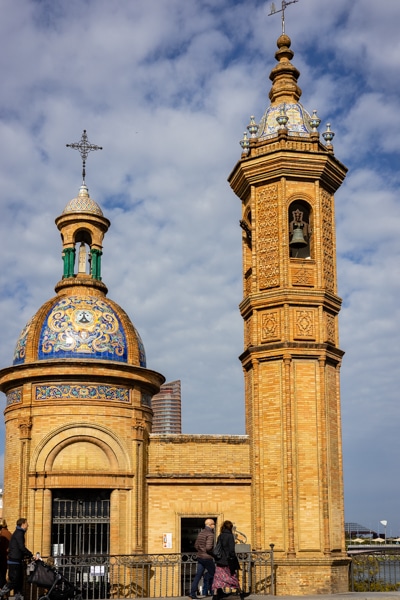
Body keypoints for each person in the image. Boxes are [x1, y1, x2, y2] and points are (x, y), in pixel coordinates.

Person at [0, 518, 33, 600]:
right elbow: (21, 547)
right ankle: (1, 592)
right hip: (14, 561)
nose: (28, 525)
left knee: (18, 582)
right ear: (23, 524)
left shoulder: (18, 533)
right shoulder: (19, 533)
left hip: (15, 560)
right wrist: (30, 554)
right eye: (26, 523)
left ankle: (17, 597)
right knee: (14, 581)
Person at [212, 520, 243, 600]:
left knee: (218, 577)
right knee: (232, 576)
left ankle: (215, 594)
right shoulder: (230, 536)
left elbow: (218, 548)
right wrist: (233, 557)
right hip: (228, 560)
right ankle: (240, 592)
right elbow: (231, 550)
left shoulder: (220, 536)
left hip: (220, 560)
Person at [188, 518, 216, 600]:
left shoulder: (201, 533)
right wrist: (212, 554)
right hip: (207, 557)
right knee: (216, 575)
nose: (214, 525)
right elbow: (208, 548)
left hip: (200, 557)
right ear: (210, 525)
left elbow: (196, 545)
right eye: (213, 524)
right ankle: (217, 592)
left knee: (198, 575)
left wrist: (201, 551)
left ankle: (192, 594)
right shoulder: (210, 534)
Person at [0, 520, 12, 588]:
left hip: (2, 557)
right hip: (6, 557)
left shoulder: (2, 534)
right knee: (3, 575)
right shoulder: (9, 533)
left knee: (1, 576)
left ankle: (3, 592)